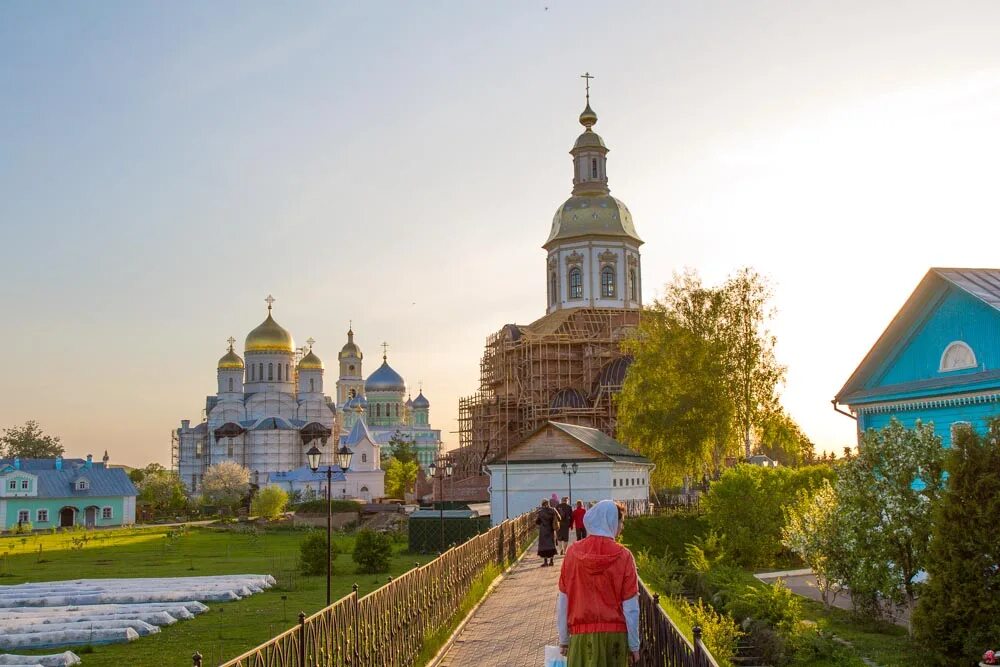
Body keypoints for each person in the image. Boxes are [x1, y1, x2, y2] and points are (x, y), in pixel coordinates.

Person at [556, 500, 640, 666]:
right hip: (614, 641)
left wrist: (564, 639)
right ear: (611, 521)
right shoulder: (624, 556)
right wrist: (634, 645)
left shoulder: (572, 553)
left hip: (581, 639)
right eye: (620, 521)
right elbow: (631, 607)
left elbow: (563, 601)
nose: (621, 526)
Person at [536, 498, 560, 567]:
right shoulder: (553, 510)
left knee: (544, 546)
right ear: (548, 503)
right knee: (552, 545)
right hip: (551, 530)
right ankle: (551, 561)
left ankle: (545, 562)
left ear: (542, 504)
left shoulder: (540, 512)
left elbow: (537, 522)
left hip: (543, 531)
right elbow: (559, 518)